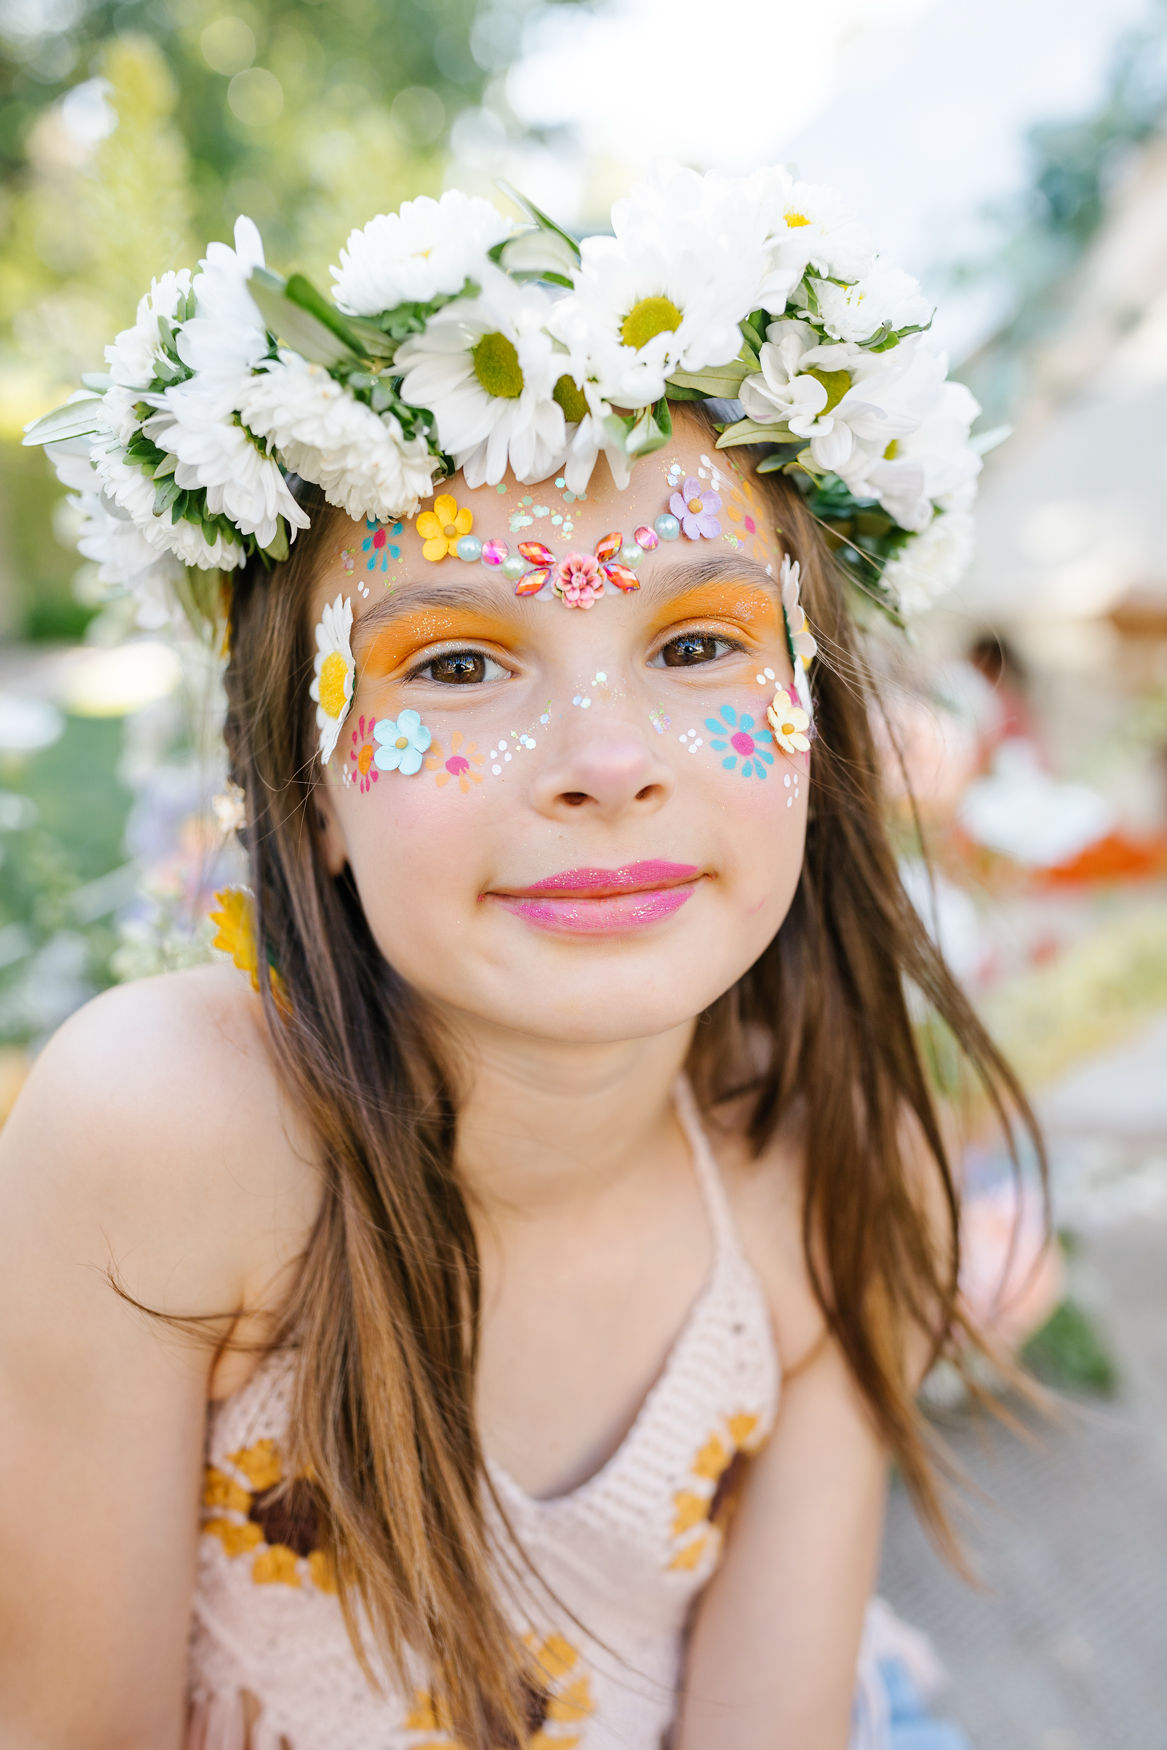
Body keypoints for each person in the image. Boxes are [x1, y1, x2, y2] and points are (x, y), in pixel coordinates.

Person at [2, 166, 1040, 1750]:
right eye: (463, 660)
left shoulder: (832, 1176)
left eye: (698, 644)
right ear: (310, 788)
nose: (605, 758)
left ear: (814, 726)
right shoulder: (167, 1137)